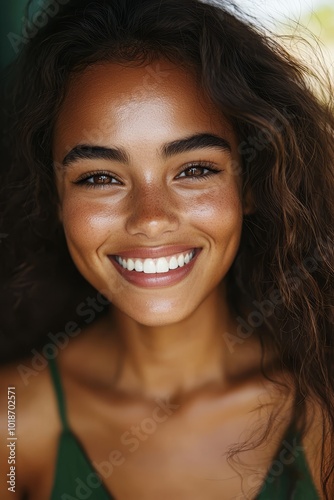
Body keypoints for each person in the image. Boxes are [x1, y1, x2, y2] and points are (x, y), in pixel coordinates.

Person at [0, 0, 333, 498]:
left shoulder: (323, 401)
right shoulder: (12, 420)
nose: (151, 218)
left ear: (252, 184)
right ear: (53, 199)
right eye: (99, 177)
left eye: (195, 169)